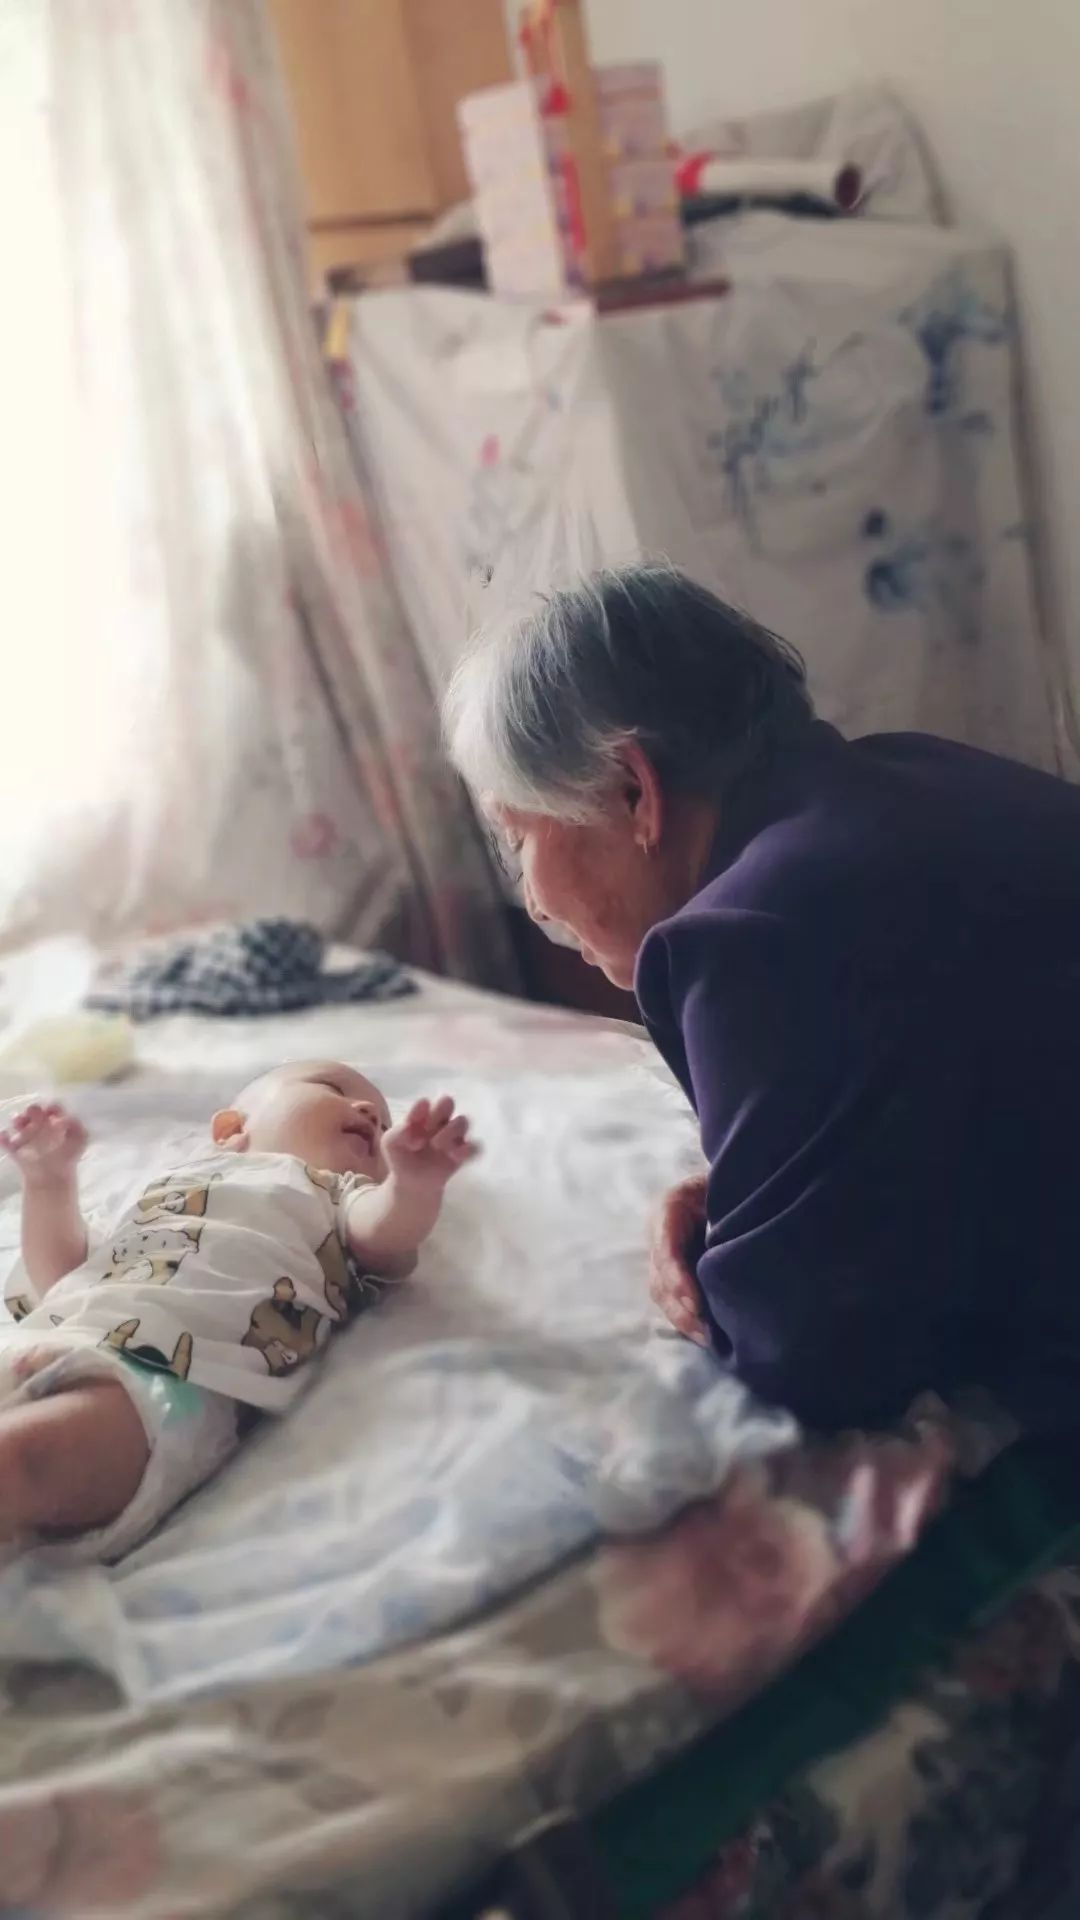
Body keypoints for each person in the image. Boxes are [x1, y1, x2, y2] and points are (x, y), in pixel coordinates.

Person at [444, 563, 1080, 1435]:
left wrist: (721, 1258)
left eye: (518, 838)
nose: (534, 900)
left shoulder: (751, 935)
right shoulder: (921, 769)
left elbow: (799, 1350)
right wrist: (745, 1187)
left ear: (633, 789)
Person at [0, 1063, 476, 1556]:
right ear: (231, 1129)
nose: (370, 1114)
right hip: (55, 1333)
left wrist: (413, 1186)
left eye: (383, 1121)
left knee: (26, 1461)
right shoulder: (167, 1188)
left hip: (169, 1381)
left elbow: (386, 1231)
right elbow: (62, 1276)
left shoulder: (336, 1196)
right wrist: (49, 1184)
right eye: (332, 1088)